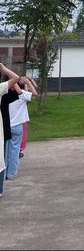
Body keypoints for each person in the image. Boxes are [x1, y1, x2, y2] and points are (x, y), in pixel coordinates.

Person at [6, 78, 37, 179]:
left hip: (6, 126)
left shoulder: (5, 94)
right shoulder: (22, 94)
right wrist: (28, 82)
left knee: (5, 150)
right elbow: (35, 93)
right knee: (14, 151)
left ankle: (4, 172)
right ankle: (11, 173)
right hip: (17, 125)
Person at [0, 64, 20, 198]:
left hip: (7, 127)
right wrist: (3, 69)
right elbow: (16, 79)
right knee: (4, 156)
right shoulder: (2, 90)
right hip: (7, 127)